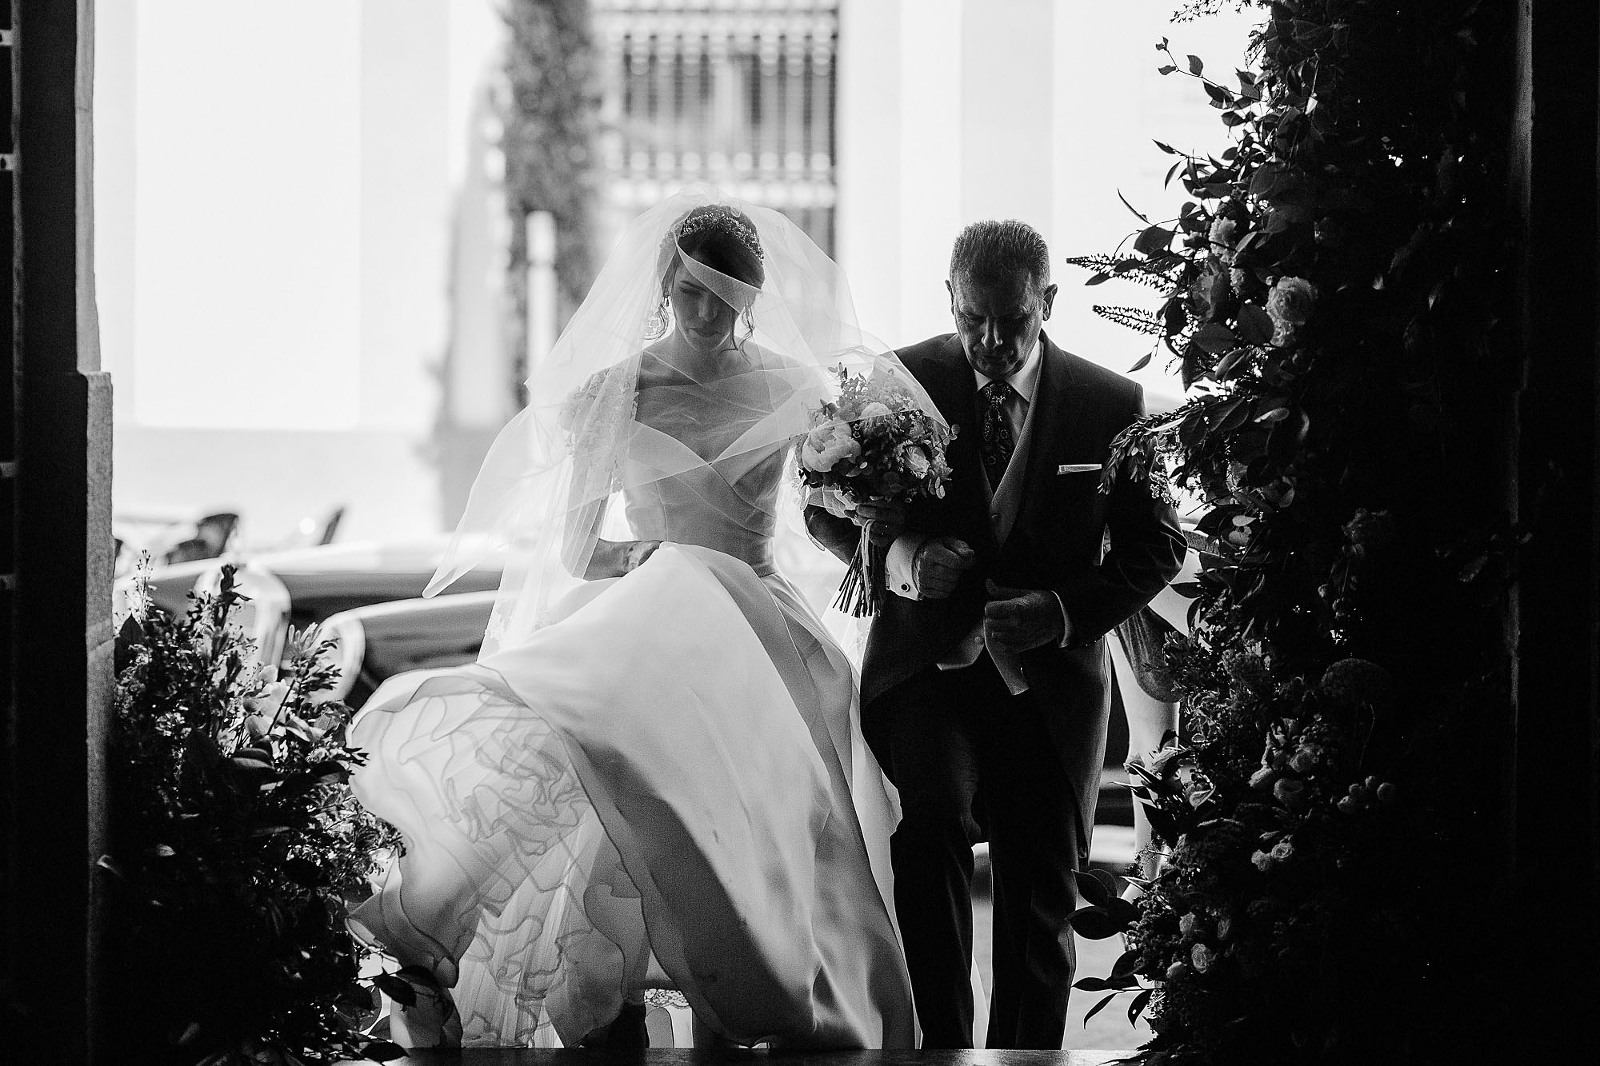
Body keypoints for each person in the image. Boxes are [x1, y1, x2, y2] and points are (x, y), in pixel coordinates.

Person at [347, 189, 920, 1050]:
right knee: (603, 785)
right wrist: (650, 561)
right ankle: (477, 944)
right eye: (691, 293)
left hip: (759, 626)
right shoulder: (614, 392)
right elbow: (578, 550)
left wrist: (877, 527)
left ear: (751, 296)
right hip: (656, 614)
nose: (707, 312)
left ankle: (761, 988)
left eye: (725, 296)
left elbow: (828, 519)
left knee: (759, 819)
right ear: (663, 290)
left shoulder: (797, 390)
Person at [805, 219, 1185, 1049]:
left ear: (1048, 302)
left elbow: (1159, 546)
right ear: (950, 299)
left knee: (1039, 894)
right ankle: (940, 1044)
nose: (990, 339)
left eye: (1013, 320)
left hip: (1051, 686)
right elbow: (823, 507)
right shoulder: (897, 381)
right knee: (931, 822)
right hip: (928, 674)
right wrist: (903, 554)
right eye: (973, 317)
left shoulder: (1110, 404)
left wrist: (1060, 611)